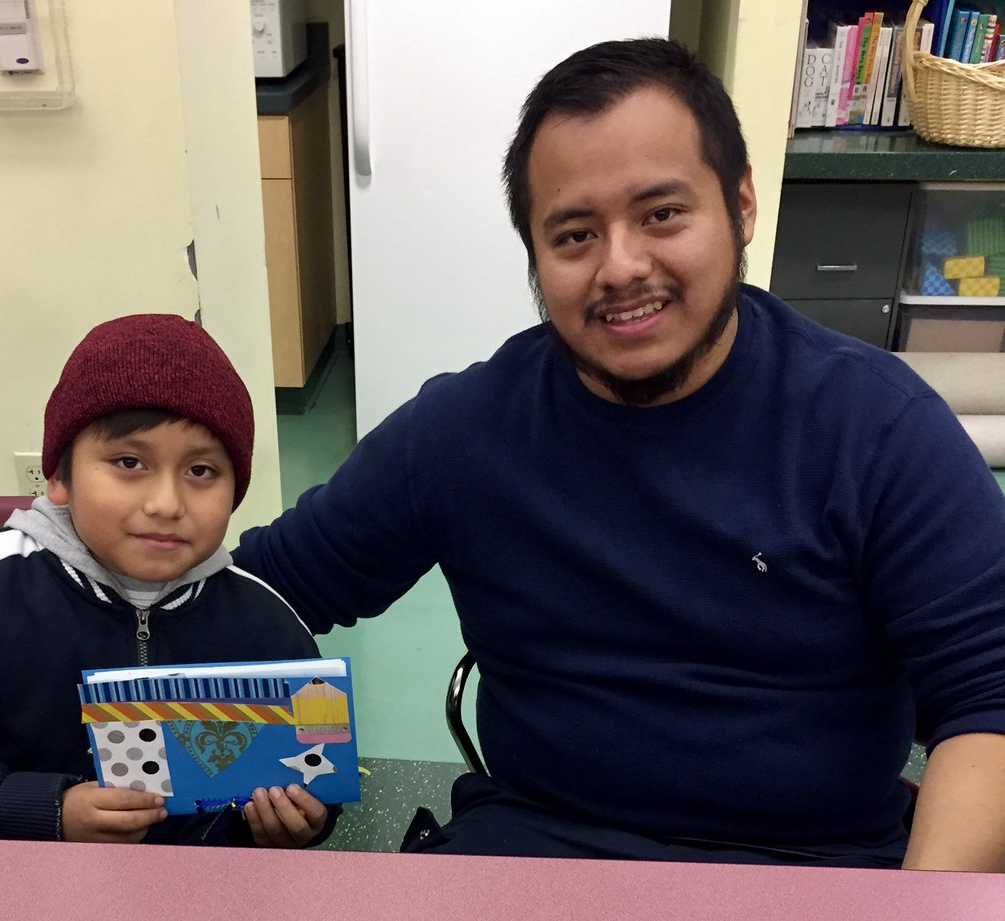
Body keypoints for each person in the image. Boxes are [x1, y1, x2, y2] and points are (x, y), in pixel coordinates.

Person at [233, 39, 1005, 870]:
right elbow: (256, 596)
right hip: (533, 850)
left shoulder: (877, 426)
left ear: (742, 205)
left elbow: (990, 699)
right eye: (573, 235)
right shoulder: (463, 429)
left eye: (662, 214)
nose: (621, 266)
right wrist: (258, 772)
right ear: (535, 253)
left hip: (811, 865)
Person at [0, 314, 335, 847]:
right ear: (58, 476)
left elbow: (323, 764)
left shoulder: (267, 620)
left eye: (201, 472)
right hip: (13, 883)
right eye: (128, 462)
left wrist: (303, 823)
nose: (166, 504)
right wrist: (45, 812)